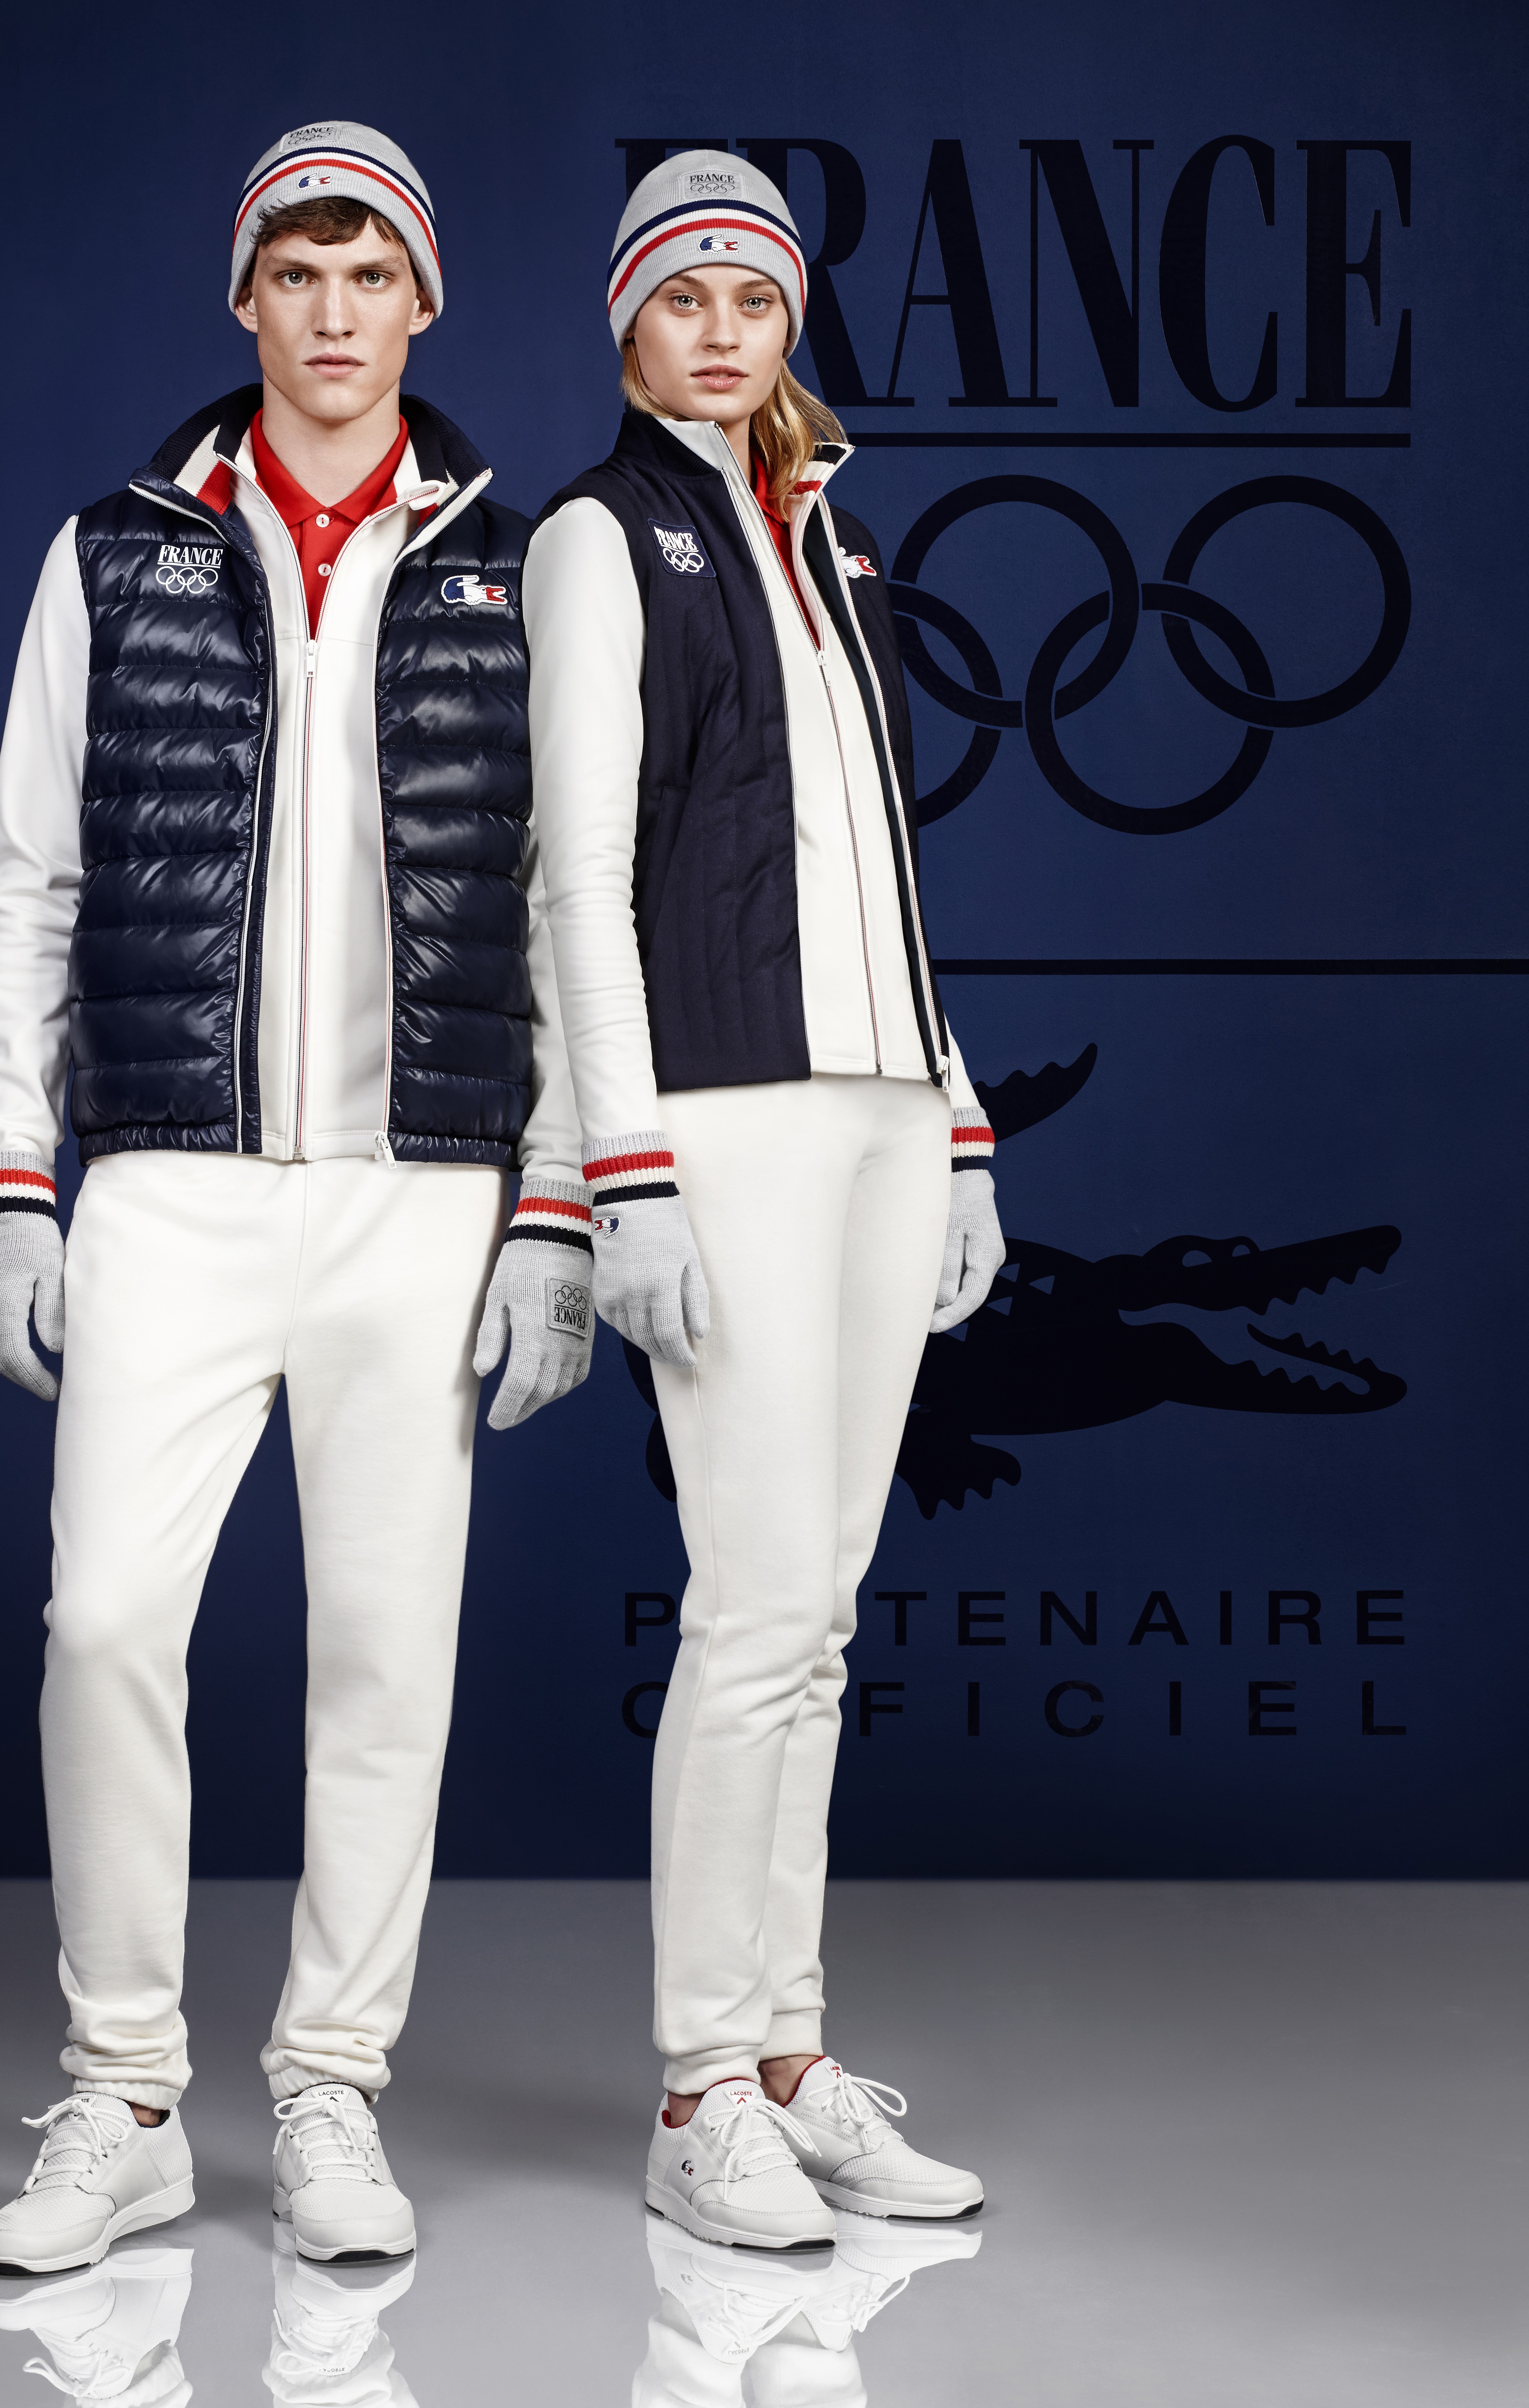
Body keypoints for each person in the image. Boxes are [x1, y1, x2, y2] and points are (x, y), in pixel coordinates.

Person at [0, 119, 592, 2276]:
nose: (334, 314)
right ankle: (124, 2096)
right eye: (296, 276)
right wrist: (13, 1178)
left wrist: (552, 1204)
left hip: (424, 1192)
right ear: (246, 301)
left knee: (383, 1659)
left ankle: (330, 2090)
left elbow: (563, 903)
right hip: (168, 1183)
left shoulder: (528, 562)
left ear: (426, 304)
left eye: (369, 275)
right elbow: (34, 881)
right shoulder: (116, 552)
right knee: (105, 1628)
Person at [526, 151, 1004, 2249]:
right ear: (627, 324)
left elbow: (882, 857)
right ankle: (697, 2086)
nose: (721, 330)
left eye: (754, 296)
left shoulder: (837, 539)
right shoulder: (595, 538)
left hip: (886, 1116)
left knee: (820, 1612)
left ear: (790, 319)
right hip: (725, 1115)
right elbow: (575, 878)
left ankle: (791, 2061)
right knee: (750, 1608)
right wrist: (618, 1172)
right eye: (683, 295)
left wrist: (960, 1120)